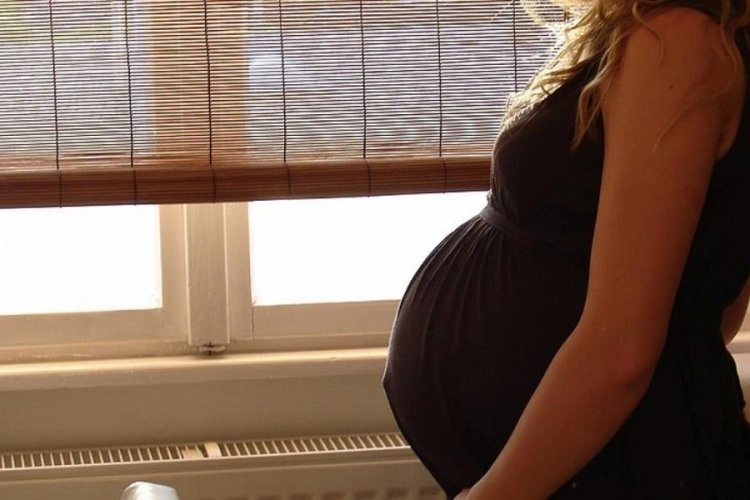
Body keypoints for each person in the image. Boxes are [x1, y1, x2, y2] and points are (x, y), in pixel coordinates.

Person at [383, 0, 750, 498]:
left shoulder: (679, 44)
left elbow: (623, 346)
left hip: (616, 468)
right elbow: (712, 302)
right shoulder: (685, 40)